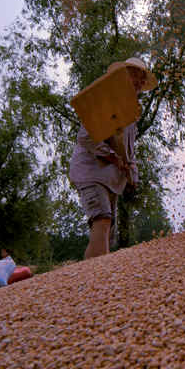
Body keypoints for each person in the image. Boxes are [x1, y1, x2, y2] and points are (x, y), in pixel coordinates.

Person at [69, 57, 153, 259]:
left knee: (107, 232)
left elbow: (129, 150)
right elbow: (86, 138)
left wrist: (132, 173)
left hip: (111, 181)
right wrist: (114, 157)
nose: (139, 83)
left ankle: (97, 281)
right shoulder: (105, 101)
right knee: (102, 220)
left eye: (142, 80)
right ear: (123, 77)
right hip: (91, 172)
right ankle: (96, 280)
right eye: (135, 76)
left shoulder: (131, 114)